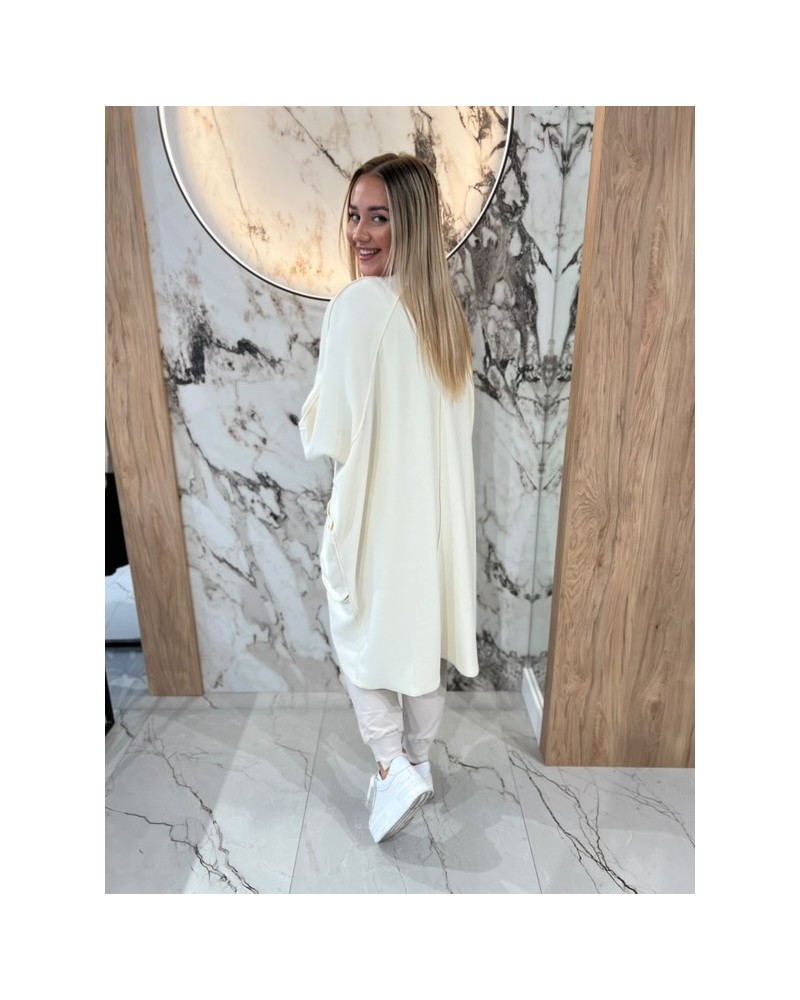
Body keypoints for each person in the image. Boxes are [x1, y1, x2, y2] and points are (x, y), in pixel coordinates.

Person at [299, 153, 479, 843]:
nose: (360, 233)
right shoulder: (446, 318)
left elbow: (330, 432)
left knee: (359, 633)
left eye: (379, 217)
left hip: (378, 517)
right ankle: (420, 763)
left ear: (411, 226)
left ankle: (389, 766)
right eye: (354, 215)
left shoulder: (359, 305)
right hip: (435, 523)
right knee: (418, 642)